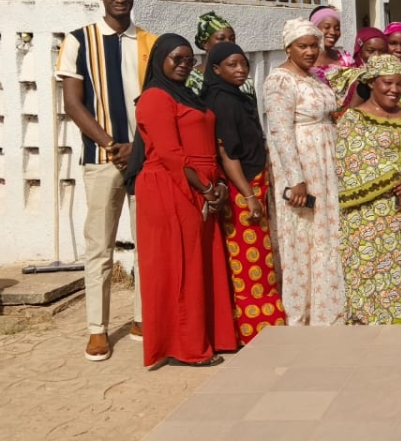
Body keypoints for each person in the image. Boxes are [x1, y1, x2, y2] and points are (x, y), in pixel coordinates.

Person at [57, 0, 156, 362]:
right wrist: (113, 143)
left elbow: (159, 102)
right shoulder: (79, 40)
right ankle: (97, 329)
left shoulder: (150, 41)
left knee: (147, 242)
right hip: (102, 158)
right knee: (100, 246)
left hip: (146, 157)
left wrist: (138, 144)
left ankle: (141, 317)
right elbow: (72, 103)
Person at [129, 34, 237, 367]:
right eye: (177, 58)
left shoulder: (189, 94)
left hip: (201, 184)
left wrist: (216, 183)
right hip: (171, 186)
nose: (183, 65)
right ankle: (187, 347)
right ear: (159, 59)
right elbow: (170, 153)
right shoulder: (155, 98)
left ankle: (211, 336)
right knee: (181, 266)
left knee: (204, 263)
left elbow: (208, 143)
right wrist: (206, 190)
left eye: (189, 60)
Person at [336, 55, 401, 325]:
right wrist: (399, 180)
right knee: (373, 268)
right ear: (371, 83)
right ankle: (373, 322)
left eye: (399, 84)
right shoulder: (353, 120)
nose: (394, 90)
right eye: (387, 83)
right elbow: (352, 162)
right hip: (370, 213)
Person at [202, 42, 287, 345]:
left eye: (243, 64)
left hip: (252, 184)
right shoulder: (221, 102)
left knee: (261, 259)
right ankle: (254, 328)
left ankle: (265, 322)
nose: (240, 71)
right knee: (250, 263)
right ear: (215, 69)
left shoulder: (235, 97)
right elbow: (228, 154)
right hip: (242, 190)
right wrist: (249, 195)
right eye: (231, 65)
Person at [262, 19, 346, 326]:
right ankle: (302, 313)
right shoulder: (280, 81)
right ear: (288, 47)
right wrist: (296, 179)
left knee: (326, 236)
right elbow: (281, 132)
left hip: (326, 165)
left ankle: (329, 310)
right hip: (303, 168)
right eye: (303, 46)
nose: (311, 51)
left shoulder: (315, 79)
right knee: (302, 239)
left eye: (315, 45)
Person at [187, 11, 247, 96]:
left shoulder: (241, 77)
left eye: (232, 38)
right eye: (221, 38)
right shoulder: (193, 78)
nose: (228, 43)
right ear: (205, 44)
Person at [327, 26, 387, 110]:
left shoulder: (391, 74)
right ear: (359, 51)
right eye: (370, 51)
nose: (376, 56)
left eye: (382, 51)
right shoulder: (350, 75)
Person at [309, 6, 353, 87]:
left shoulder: (345, 58)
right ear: (314, 29)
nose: (333, 32)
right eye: (327, 27)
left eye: (337, 28)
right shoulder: (305, 60)